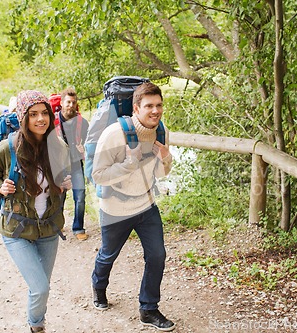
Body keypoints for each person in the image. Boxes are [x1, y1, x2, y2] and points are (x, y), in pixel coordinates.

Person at [0, 90, 72, 333]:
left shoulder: (58, 146)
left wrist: (64, 183)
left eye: (44, 113)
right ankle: (36, 326)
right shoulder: (6, 148)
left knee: (42, 286)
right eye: (33, 114)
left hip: (49, 228)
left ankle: (36, 322)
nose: (40, 119)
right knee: (40, 288)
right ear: (23, 118)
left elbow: (60, 178)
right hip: (17, 230)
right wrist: (1, 187)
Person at [90, 82, 175, 331]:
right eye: (149, 106)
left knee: (157, 255)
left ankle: (148, 309)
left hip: (146, 204)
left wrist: (166, 159)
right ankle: (99, 286)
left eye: (159, 105)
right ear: (136, 108)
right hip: (115, 208)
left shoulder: (161, 131)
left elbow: (161, 173)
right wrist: (129, 163)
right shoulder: (114, 134)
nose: (155, 111)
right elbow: (98, 175)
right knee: (108, 254)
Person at [55, 88, 90, 240]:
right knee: (59, 196)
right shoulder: (52, 120)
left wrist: (85, 148)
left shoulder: (82, 122)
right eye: (68, 102)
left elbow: (89, 141)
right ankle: (58, 224)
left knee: (80, 196)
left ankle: (78, 228)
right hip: (58, 165)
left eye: (73, 102)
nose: (71, 105)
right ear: (62, 103)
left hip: (76, 164)